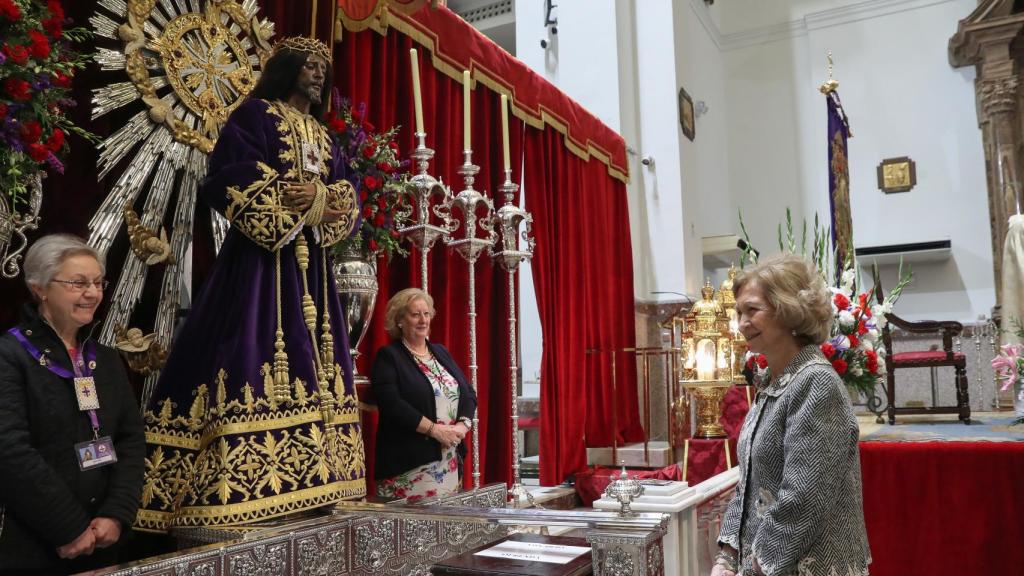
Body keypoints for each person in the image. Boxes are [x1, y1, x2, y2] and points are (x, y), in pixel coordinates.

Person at [135, 37, 365, 533]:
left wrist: (322, 198)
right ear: (287, 70)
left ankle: (316, 481)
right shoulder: (255, 115)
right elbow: (226, 176)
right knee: (246, 351)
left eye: (323, 67)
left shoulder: (325, 138)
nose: (318, 74)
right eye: (308, 66)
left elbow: (349, 193)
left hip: (315, 273)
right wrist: (291, 197)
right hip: (263, 265)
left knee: (321, 359)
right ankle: (238, 485)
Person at [714, 254, 870, 576]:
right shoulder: (772, 383)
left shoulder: (817, 382)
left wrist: (756, 566)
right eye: (739, 312)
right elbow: (749, 483)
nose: (742, 323)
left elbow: (804, 498)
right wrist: (727, 558)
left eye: (752, 310)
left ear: (787, 309)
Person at [0, 234, 145, 573]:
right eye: (78, 283)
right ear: (40, 287)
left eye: (98, 283)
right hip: (31, 545)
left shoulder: (106, 359)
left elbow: (130, 440)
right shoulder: (10, 356)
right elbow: (9, 450)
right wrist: (69, 527)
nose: (93, 293)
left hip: (102, 540)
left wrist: (117, 514)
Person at [371, 288, 477, 501]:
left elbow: (468, 392)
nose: (422, 320)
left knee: (446, 526)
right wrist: (435, 431)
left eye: (426, 313)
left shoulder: (440, 352)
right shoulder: (389, 356)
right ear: (400, 320)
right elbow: (391, 404)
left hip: (449, 460)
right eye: (415, 314)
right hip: (409, 465)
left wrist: (462, 426)